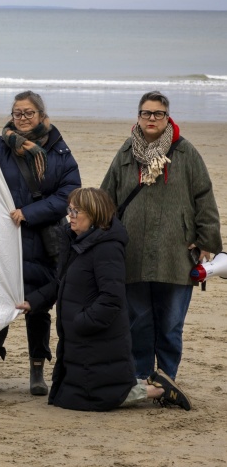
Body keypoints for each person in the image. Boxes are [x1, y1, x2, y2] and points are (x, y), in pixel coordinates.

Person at [0, 90, 80, 396]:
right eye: (18, 113)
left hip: (43, 239)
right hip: (1, 238)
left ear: (42, 115)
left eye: (29, 113)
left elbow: (69, 193)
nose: (23, 118)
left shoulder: (58, 150)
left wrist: (28, 213)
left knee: (39, 306)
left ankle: (37, 370)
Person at [100, 91, 221, 380]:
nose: (151, 118)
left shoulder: (185, 151)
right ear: (138, 116)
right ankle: (141, 380)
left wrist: (206, 239)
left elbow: (204, 195)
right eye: (146, 113)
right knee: (137, 323)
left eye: (158, 114)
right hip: (134, 252)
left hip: (175, 254)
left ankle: (167, 380)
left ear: (167, 117)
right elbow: (107, 197)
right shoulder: (127, 151)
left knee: (170, 325)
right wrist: (103, 238)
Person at [41, 187, 191, 411]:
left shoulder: (107, 248)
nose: (69, 216)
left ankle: (159, 389)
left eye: (75, 211)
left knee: (101, 395)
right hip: (84, 340)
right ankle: (153, 383)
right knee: (82, 393)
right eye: (69, 210)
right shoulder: (78, 243)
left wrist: (81, 322)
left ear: (93, 214)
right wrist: (33, 301)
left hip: (98, 337)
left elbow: (112, 298)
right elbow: (62, 282)